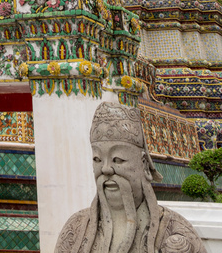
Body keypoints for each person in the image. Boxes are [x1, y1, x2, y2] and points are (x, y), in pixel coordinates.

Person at [55, 103, 206, 253]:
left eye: (117, 160)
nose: (106, 169)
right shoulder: (76, 229)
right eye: (97, 159)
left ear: (144, 165)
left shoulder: (174, 232)